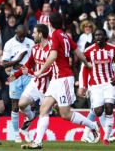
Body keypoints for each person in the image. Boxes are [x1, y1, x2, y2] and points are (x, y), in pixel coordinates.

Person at [21, 13, 100, 149]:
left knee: (65, 114)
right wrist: (86, 63)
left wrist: (40, 70)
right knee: (43, 109)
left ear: (50, 24)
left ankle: (92, 125)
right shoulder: (65, 36)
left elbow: (53, 56)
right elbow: (77, 51)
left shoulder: (56, 36)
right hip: (56, 80)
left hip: (63, 79)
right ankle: (37, 142)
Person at [8, 24, 52, 143]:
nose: (32, 35)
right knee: (21, 104)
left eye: (34, 33)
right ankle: (31, 117)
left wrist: (31, 72)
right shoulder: (35, 48)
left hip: (48, 87)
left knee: (45, 114)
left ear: (41, 34)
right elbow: (28, 65)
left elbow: (49, 71)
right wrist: (16, 75)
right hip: (35, 82)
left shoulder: (51, 50)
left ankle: (38, 140)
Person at [78, 29, 115, 146]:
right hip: (95, 85)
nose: (98, 37)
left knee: (109, 107)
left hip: (109, 83)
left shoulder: (112, 49)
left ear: (105, 37)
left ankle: (106, 137)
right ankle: (90, 132)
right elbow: (84, 69)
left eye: (100, 35)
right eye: (96, 35)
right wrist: (83, 86)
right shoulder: (89, 51)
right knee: (98, 111)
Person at [2, 25, 35, 143]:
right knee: (15, 105)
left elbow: (35, 59)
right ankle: (16, 134)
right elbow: (4, 63)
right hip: (15, 75)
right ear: (16, 32)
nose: (22, 39)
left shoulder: (30, 42)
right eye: (20, 36)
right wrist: (18, 60)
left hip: (28, 75)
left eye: (24, 36)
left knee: (31, 104)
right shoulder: (9, 44)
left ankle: (25, 129)